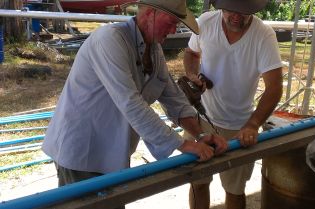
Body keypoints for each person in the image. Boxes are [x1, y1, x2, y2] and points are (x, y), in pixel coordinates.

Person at [42, 0, 228, 208]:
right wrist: (184, 145)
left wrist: (201, 133)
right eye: (171, 22)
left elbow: (173, 98)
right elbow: (131, 103)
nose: (174, 29)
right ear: (150, 13)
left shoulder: (154, 50)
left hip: (112, 151)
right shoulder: (110, 40)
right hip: (82, 151)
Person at [183, 0, 283, 208]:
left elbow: (274, 88)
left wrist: (253, 125)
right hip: (200, 119)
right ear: (219, 5)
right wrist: (192, 74)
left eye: (244, 11)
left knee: (234, 189)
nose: (236, 16)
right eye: (230, 10)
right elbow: (192, 53)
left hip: (238, 125)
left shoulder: (263, 35)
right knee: (198, 183)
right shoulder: (206, 22)